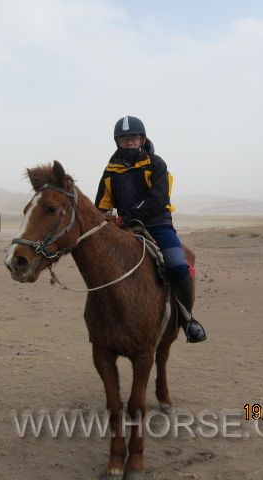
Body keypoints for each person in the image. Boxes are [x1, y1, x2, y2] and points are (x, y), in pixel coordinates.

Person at [95, 115, 207, 343]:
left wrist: (126, 217)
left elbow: (158, 199)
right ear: (117, 142)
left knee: (177, 265)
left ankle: (187, 320)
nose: (129, 142)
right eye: (124, 138)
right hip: (124, 228)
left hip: (157, 224)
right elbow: (101, 205)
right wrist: (104, 218)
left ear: (142, 139)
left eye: (133, 138)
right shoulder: (111, 170)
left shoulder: (156, 164)